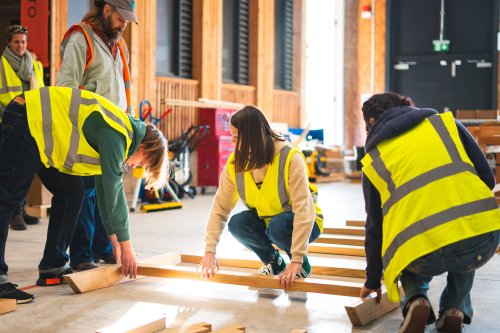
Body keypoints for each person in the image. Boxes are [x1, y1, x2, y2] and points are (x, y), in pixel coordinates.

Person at [0, 86, 168, 303]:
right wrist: (127, 246)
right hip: (28, 115)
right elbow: (114, 190)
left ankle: (54, 264)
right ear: (144, 147)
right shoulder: (117, 134)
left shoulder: (124, 137)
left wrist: (115, 240)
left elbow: (105, 194)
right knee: (7, 198)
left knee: (73, 192)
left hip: (44, 132)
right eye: (143, 163)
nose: (136, 165)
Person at [358, 92, 500, 333]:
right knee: (464, 227)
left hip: (420, 256)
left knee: (403, 240)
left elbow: (375, 230)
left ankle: (416, 299)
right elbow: (487, 178)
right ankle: (455, 308)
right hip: (479, 244)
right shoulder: (447, 124)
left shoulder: (374, 160)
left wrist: (372, 280)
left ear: (372, 122)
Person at [198, 106, 323, 288]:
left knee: (278, 226)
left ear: (252, 136)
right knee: (238, 223)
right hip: (269, 222)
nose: (232, 142)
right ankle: (273, 262)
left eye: (236, 137)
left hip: (305, 222)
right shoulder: (235, 163)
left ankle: (302, 264)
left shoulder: (290, 157)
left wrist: (296, 260)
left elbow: (304, 209)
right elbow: (220, 207)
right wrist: (209, 251)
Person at [57, 0, 138, 271]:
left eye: (128, 19)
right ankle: (82, 256)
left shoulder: (119, 45)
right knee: (86, 193)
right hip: (87, 132)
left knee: (109, 189)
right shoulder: (81, 39)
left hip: (113, 133)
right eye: (121, 17)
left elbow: (123, 92)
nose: (124, 23)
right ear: (106, 9)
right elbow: (65, 88)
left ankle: (105, 247)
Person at [0, 25, 45, 231]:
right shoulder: (1, 65)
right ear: (9, 43)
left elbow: (42, 93)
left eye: (23, 42)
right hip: (7, 124)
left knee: (27, 169)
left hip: (30, 123)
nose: (21, 46)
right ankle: (14, 213)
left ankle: (22, 209)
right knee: (10, 172)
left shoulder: (34, 65)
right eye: (17, 42)